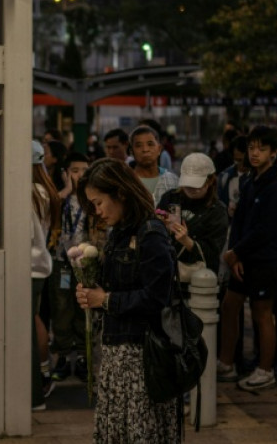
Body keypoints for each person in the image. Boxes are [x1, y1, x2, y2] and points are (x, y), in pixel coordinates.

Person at [75, 158, 179, 443]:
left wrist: (105, 300)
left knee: (139, 431)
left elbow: (157, 297)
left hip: (141, 357)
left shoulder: (151, 234)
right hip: (116, 353)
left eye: (98, 203)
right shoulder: (120, 233)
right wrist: (92, 293)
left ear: (120, 193)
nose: (97, 212)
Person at [216, 126, 277, 391]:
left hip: (265, 259)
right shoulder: (250, 179)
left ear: (274, 152)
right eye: (251, 148)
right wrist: (236, 254)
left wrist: (236, 252)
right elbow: (240, 220)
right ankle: (226, 363)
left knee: (262, 313)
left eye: (261, 149)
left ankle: (265, 369)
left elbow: (267, 228)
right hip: (243, 256)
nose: (255, 153)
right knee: (230, 305)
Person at [49, 152, 91, 383]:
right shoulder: (60, 198)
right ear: (66, 174)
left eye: (85, 170)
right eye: (75, 171)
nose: (81, 175)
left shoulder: (93, 198)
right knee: (62, 306)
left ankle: (85, 357)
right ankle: (63, 356)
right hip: (62, 262)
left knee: (84, 308)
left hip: (86, 263)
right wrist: (65, 190)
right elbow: (47, 209)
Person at [158, 153, 229, 281]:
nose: (191, 189)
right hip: (166, 275)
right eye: (187, 184)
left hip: (200, 281)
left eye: (197, 184)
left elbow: (212, 255)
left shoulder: (217, 211)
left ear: (210, 180)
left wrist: (187, 241)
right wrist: (160, 225)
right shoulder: (170, 198)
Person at [31, 140, 60, 411]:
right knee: (35, 319)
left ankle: (39, 377)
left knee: (30, 322)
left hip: (29, 265)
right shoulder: (44, 189)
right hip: (41, 263)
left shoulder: (30, 192)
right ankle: (43, 371)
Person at [129, 125, 179, 205]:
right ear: (132, 152)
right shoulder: (126, 182)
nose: (145, 150)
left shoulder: (173, 181)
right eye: (139, 145)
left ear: (159, 149)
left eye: (150, 144)